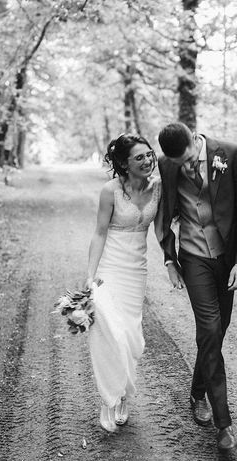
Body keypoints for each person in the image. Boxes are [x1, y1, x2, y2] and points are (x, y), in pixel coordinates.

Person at [156, 122, 237, 451]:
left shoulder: (230, 152)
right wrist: (170, 259)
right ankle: (223, 425)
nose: (184, 167)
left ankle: (197, 391)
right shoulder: (165, 164)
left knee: (217, 331)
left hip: (227, 257)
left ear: (194, 139)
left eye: (187, 158)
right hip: (194, 257)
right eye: (177, 163)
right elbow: (161, 214)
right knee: (210, 328)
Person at [86, 133, 161, 432]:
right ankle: (108, 399)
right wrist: (90, 275)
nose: (147, 161)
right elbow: (99, 232)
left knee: (131, 338)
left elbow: (163, 230)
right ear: (124, 164)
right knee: (110, 334)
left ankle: (125, 394)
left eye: (149, 155)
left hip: (136, 271)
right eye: (139, 157)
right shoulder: (110, 191)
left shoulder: (158, 188)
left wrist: (172, 262)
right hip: (111, 268)